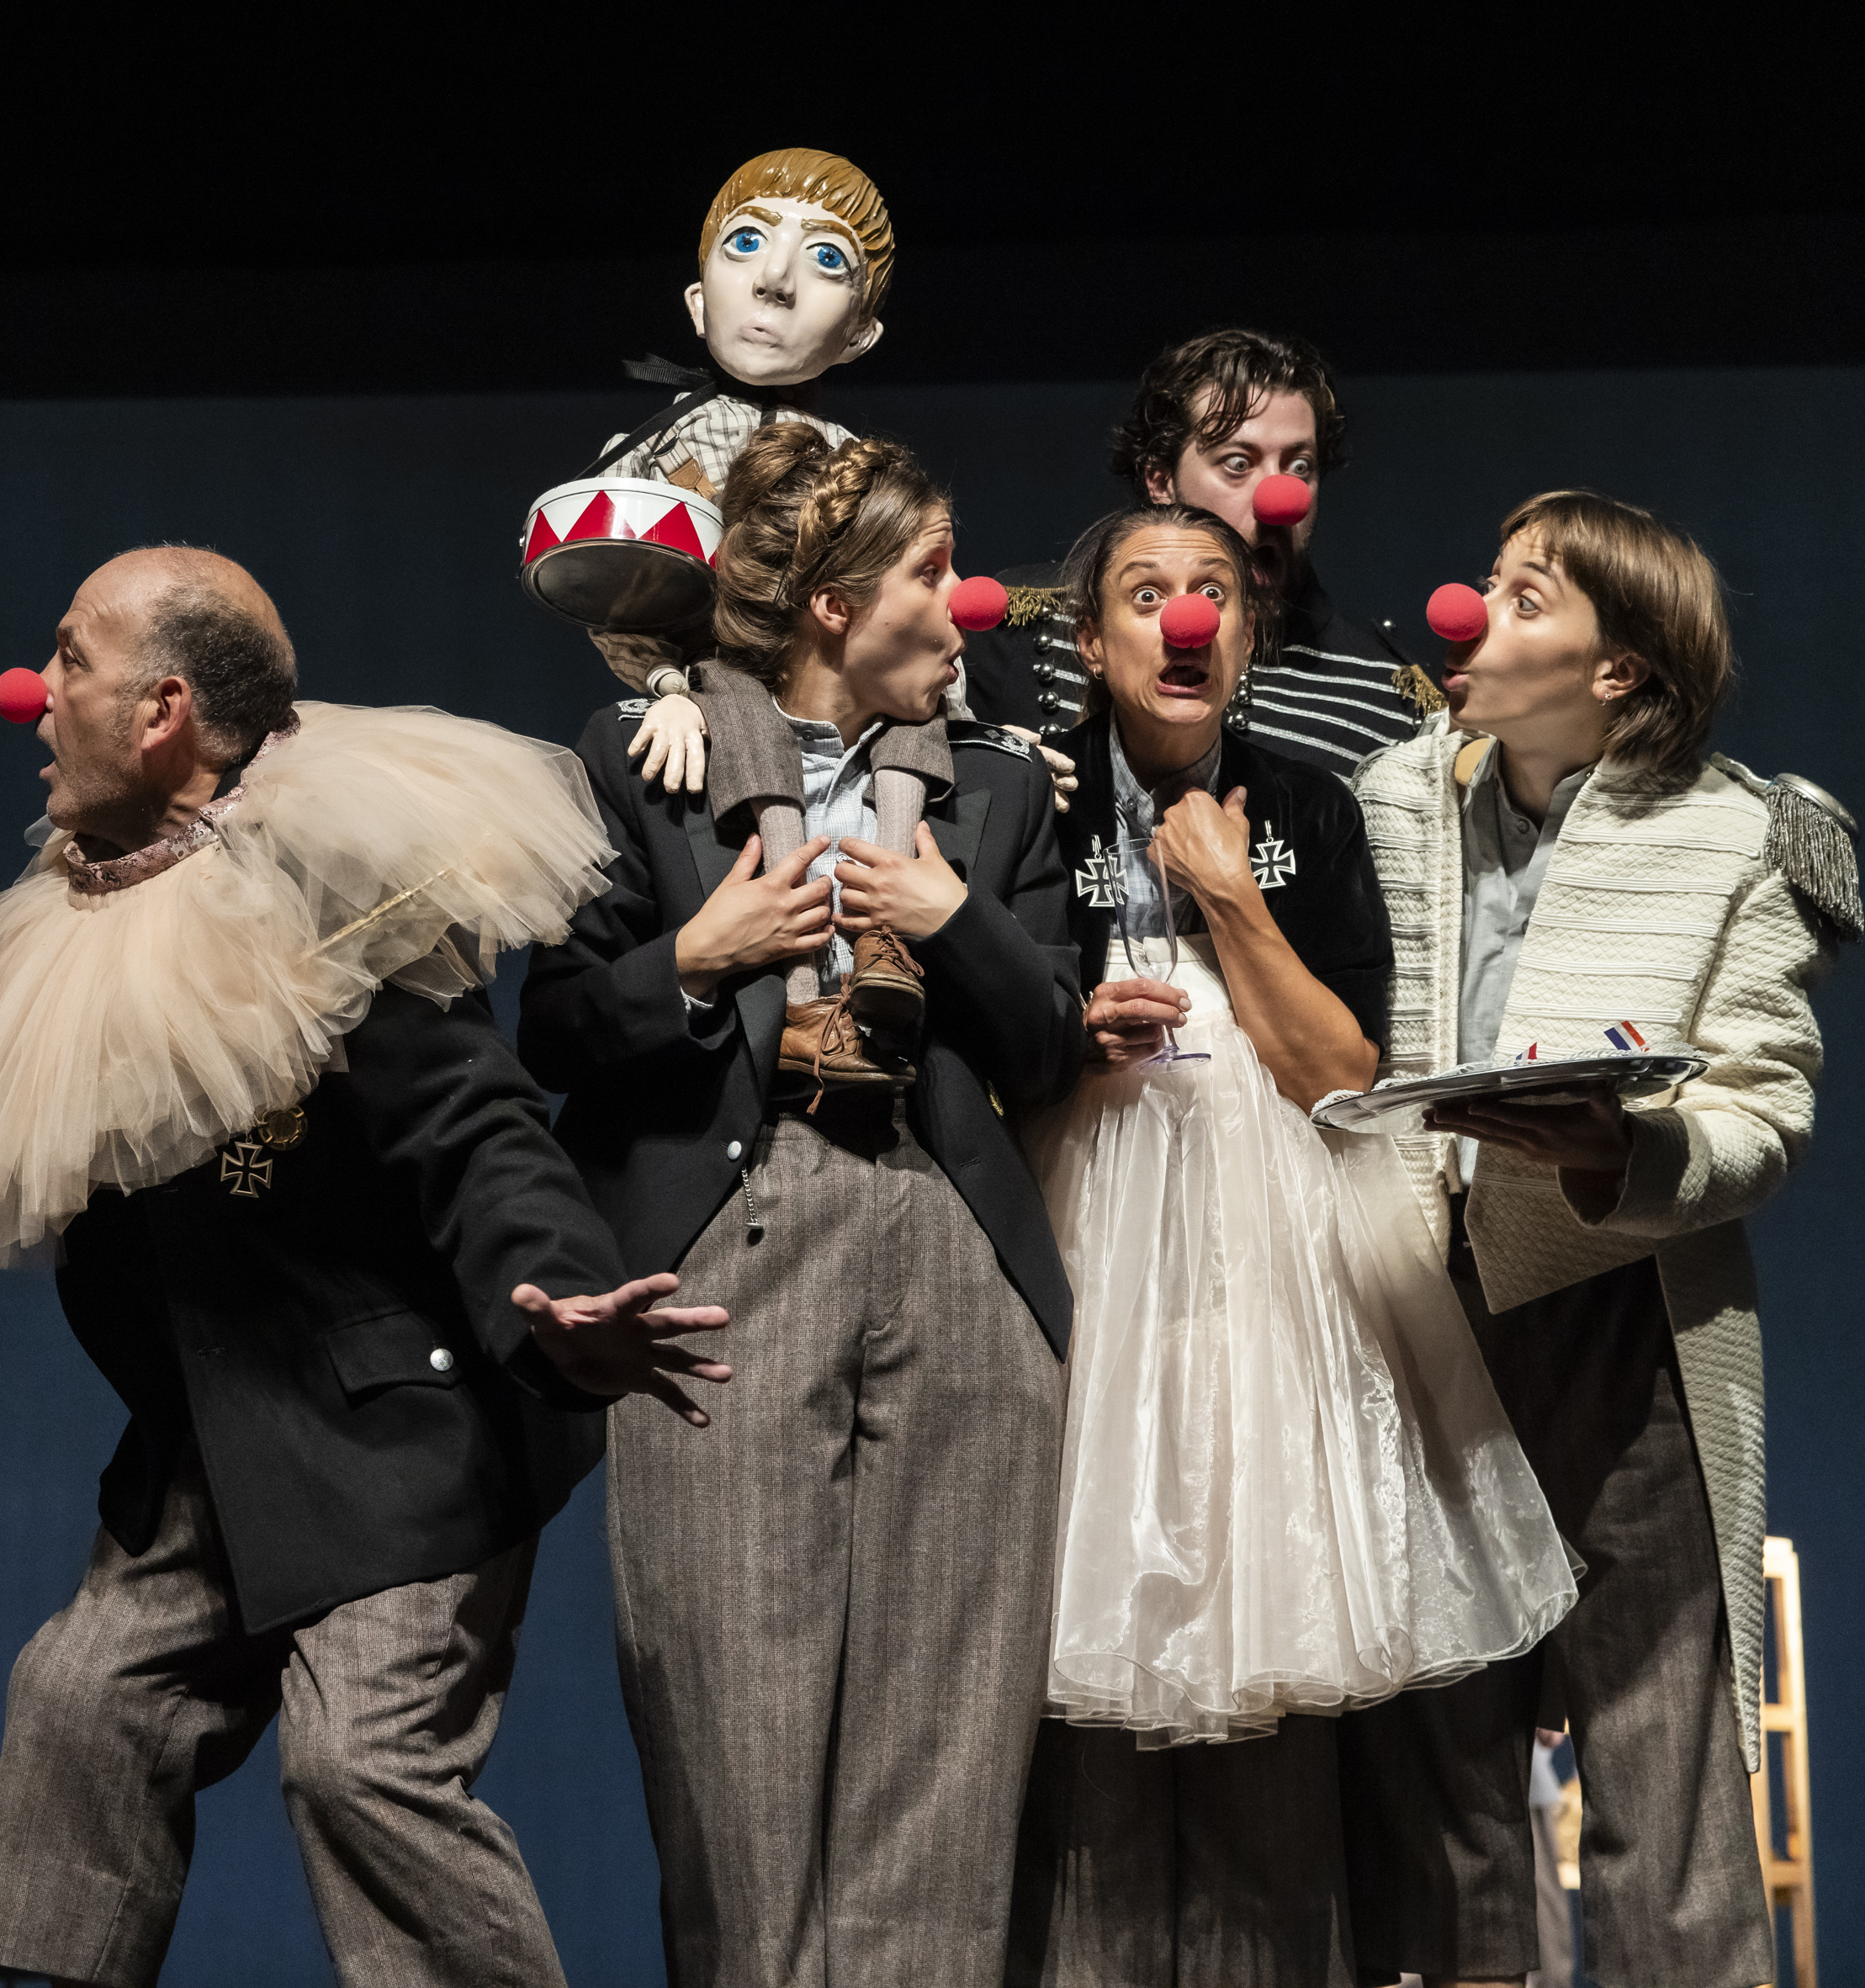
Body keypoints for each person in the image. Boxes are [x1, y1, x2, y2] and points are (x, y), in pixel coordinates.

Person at [0, 546, 731, 1987]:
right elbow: (163, 1162)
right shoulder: (87, 903)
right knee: (78, 1697)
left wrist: (559, 1291)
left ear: (160, 712)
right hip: (219, 1433)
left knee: (360, 1764)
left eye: (69, 658)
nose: (33, 691)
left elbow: (475, 1119)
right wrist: (11, 1089)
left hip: (399, 1430)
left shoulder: (321, 888)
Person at [519, 423, 1085, 1983]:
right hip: (732, 1246)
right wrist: (700, 953)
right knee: (735, 1749)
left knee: (945, 1761)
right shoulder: (643, 761)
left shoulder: (986, 794)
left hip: (954, 1249)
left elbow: (1043, 1041)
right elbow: (555, 1026)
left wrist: (948, 914)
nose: (964, 600)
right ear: (832, 605)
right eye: (929, 569)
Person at [1004, 504, 1577, 1985]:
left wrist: (1229, 900)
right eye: (1145, 593)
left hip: (1270, 1265)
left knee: (1267, 1698)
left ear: (1247, 636)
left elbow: (1340, 1067)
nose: (1182, 619)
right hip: (1083, 1251)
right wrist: (1068, 1032)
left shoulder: (1306, 808)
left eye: (1211, 593)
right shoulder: (1025, 803)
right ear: (1089, 638)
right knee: (1086, 1756)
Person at [1338, 490, 1852, 1988]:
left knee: (1660, 1763)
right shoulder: (1388, 796)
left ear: (1614, 667)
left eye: (1517, 596)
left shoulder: (1734, 835)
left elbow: (1763, 1106)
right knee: (1441, 1777)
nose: (1461, 613)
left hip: (1620, 1315)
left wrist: (1619, 1151)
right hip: (1421, 1313)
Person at [964, 327, 1438, 775]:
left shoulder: (1388, 698)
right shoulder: (1016, 626)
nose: (1278, 500)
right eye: (1237, 463)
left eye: (1299, 465)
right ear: (1160, 480)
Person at [583, 146, 894, 793]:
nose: (774, 279)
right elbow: (613, 602)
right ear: (697, 304)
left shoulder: (857, 465)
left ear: (860, 335)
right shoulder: (650, 447)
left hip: (842, 725)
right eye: (745, 241)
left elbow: (912, 607)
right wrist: (668, 686)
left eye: (826, 259)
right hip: (704, 715)